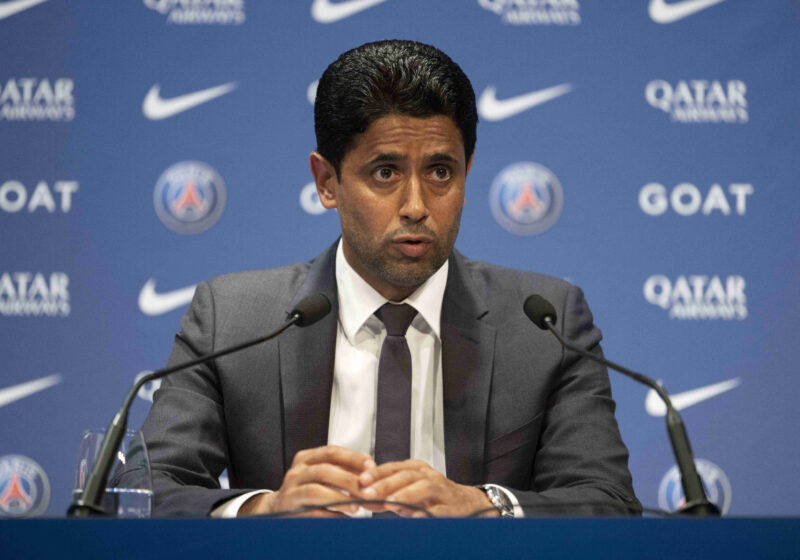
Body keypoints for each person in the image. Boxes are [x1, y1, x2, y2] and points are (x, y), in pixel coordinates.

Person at [140, 39, 639, 518]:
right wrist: (264, 510)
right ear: (327, 182)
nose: (416, 206)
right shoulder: (232, 320)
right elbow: (148, 488)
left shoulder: (545, 324)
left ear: (467, 173)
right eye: (385, 173)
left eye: (440, 172)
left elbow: (607, 501)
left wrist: (487, 507)